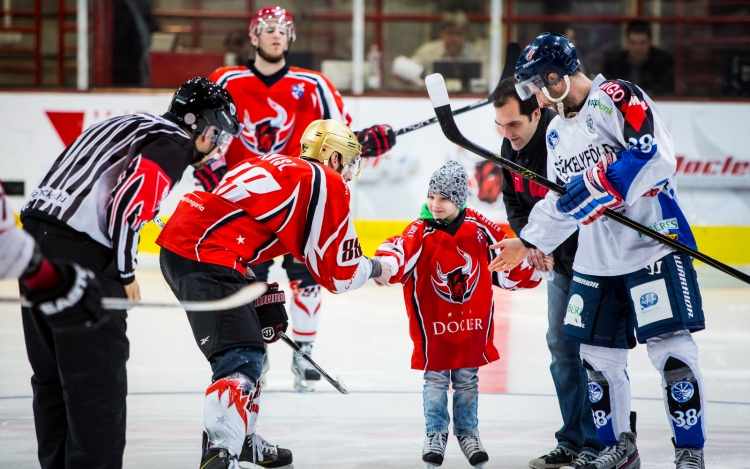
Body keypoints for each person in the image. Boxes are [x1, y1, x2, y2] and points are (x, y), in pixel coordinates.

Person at [495, 33, 706, 469]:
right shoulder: (556, 132)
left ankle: (689, 451)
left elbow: (654, 156)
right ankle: (618, 448)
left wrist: (599, 187)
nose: (535, 94)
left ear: (555, 76)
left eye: (537, 84)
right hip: (596, 257)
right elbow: (560, 200)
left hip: (652, 244)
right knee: (597, 362)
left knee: (671, 354)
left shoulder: (617, 96)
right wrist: (529, 240)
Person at [17, 77, 242, 468]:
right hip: (82, 255)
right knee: (96, 385)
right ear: (204, 128)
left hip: (34, 245)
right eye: (218, 135)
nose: (216, 145)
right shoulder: (175, 142)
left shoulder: (126, 123)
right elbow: (126, 206)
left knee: (51, 378)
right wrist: (124, 273)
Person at [156, 119, 392, 469]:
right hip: (208, 255)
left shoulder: (275, 163)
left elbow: (236, 222)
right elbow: (339, 275)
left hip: (193, 249)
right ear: (334, 157)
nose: (346, 173)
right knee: (240, 356)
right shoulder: (324, 180)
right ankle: (221, 451)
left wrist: (256, 289)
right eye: (347, 161)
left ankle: (245, 439)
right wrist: (376, 268)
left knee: (247, 346)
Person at [198, 6, 397, 391]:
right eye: (267, 29)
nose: (275, 35)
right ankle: (253, 352)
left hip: (299, 203)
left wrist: (367, 142)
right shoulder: (227, 79)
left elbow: (342, 137)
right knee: (249, 282)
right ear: (253, 37)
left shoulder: (314, 84)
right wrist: (209, 166)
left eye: (282, 30)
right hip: (245, 206)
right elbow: (208, 133)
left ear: (291, 38)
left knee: (305, 278)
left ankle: (303, 354)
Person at [373, 161, 551, 469]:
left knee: (468, 380)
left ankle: (469, 432)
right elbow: (399, 250)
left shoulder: (479, 227)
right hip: (435, 324)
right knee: (435, 380)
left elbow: (506, 260)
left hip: (471, 322)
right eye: (431, 197)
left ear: (459, 198)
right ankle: (435, 432)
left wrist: (534, 265)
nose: (434, 204)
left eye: (443, 198)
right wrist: (384, 265)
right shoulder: (420, 229)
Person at [492, 77, 604, 469]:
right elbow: (513, 201)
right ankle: (574, 440)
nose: (507, 135)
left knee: (598, 352)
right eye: (500, 126)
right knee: (561, 348)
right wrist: (531, 240)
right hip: (559, 266)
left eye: (514, 125)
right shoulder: (510, 148)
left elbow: (576, 203)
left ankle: (603, 438)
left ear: (536, 113)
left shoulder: (563, 140)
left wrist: (543, 242)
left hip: (594, 261)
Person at [393, 11, 488, 87]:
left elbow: (489, 82)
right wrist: (417, 82)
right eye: (450, 33)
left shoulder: (477, 53)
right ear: (442, 33)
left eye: (459, 34)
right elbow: (398, 72)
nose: (454, 38)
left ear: (466, 35)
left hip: (469, 101)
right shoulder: (428, 51)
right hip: (431, 103)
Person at [602, 21, 674, 96]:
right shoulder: (614, 63)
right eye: (633, 43)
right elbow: (606, 87)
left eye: (642, 43)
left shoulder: (662, 62)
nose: (637, 48)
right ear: (627, 42)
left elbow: (665, 89)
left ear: (650, 42)